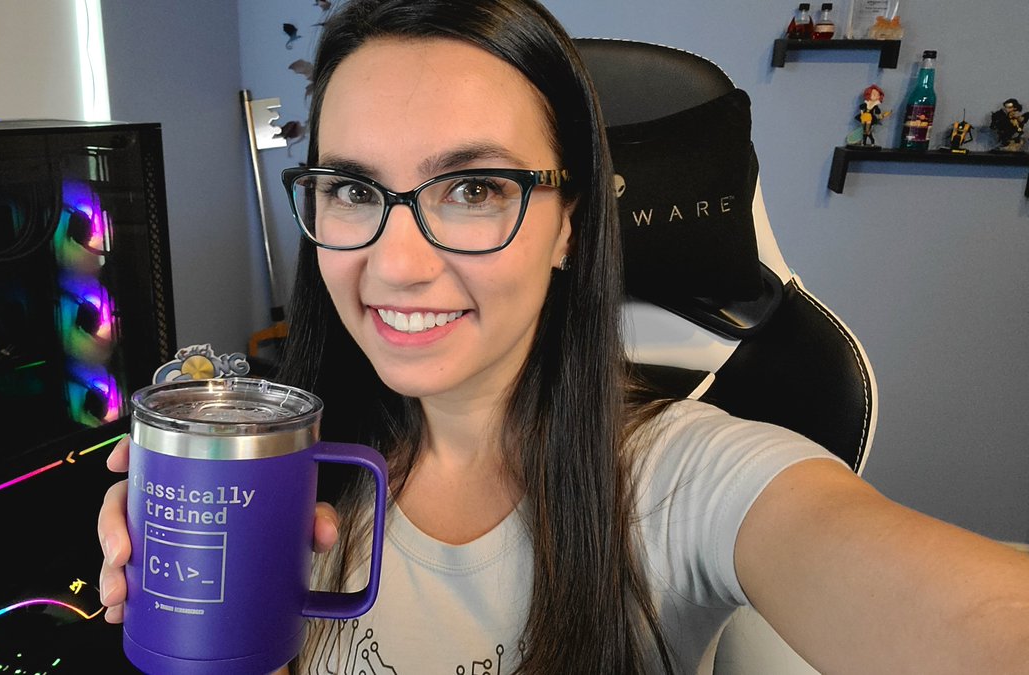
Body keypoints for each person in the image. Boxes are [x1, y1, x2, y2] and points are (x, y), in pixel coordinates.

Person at [97, 0, 1029, 672]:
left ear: (571, 227)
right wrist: (195, 592)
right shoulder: (289, 471)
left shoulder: (677, 483)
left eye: (473, 189)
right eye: (350, 188)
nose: (397, 264)